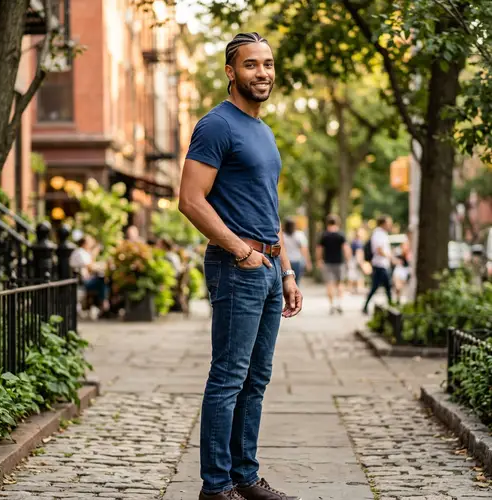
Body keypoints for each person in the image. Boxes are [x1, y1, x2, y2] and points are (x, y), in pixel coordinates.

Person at [179, 32, 303, 500]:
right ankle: (216, 487)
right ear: (231, 72)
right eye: (251, 65)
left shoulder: (265, 132)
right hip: (239, 265)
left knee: (256, 378)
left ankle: (245, 477)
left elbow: (269, 209)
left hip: (269, 268)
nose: (263, 73)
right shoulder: (217, 125)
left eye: (268, 64)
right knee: (228, 376)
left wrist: (286, 271)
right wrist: (241, 251)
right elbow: (190, 201)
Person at [316, 215, 351, 314]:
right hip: (339, 263)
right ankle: (339, 304)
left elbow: (319, 249)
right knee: (340, 283)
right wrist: (348, 261)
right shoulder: (341, 235)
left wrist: (319, 260)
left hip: (327, 263)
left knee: (329, 284)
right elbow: (346, 249)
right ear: (337, 223)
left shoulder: (324, 235)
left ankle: (331, 305)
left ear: (327, 223)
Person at [69, 236, 109, 313]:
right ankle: (104, 305)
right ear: (85, 243)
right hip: (82, 282)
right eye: (90, 242)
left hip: (84, 280)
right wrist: (95, 253)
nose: (92, 244)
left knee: (103, 280)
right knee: (102, 280)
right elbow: (90, 266)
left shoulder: (83, 252)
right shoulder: (80, 252)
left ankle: (102, 304)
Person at [363, 215, 393, 314]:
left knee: (382, 287)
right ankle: (391, 305)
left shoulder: (382, 233)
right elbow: (379, 249)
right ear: (383, 223)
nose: (390, 225)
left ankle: (390, 305)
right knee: (383, 286)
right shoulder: (379, 234)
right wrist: (390, 257)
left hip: (382, 264)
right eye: (388, 223)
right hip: (380, 264)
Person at [282, 218, 310, 285]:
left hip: (285, 261)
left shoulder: (282, 235)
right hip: (297, 261)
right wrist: (308, 262)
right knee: (296, 281)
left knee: (284, 281)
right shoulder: (299, 235)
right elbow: (304, 250)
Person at [392, 238, 411, 303]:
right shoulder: (398, 251)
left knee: (400, 287)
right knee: (397, 286)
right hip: (398, 270)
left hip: (404, 271)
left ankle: (398, 299)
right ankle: (397, 299)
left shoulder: (409, 253)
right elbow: (393, 259)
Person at [347, 230, 364, 294]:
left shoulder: (353, 242)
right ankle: (358, 288)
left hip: (352, 260)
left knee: (353, 275)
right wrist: (360, 262)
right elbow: (358, 253)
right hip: (356, 260)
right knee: (356, 275)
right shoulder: (358, 243)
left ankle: (353, 289)